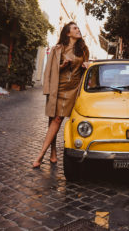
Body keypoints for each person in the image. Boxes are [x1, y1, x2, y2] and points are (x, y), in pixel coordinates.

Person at [32, 22, 89, 168]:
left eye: (78, 28)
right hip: (57, 87)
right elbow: (49, 70)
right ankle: (53, 151)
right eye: (75, 28)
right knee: (52, 121)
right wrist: (62, 66)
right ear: (68, 33)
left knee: (57, 119)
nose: (78, 30)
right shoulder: (57, 49)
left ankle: (40, 155)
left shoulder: (83, 50)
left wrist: (86, 67)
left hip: (72, 90)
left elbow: (85, 70)